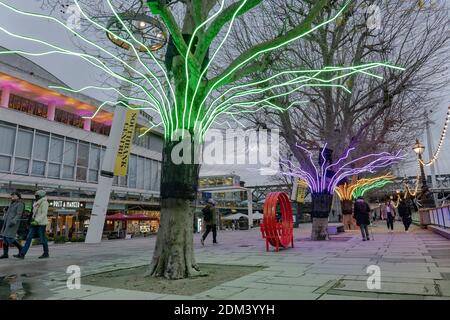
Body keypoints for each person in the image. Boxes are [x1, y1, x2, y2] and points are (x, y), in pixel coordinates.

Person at [14, 190, 49, 259]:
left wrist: (37, 221)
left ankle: (46, 253)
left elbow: (44, 214)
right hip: (34, 223)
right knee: (28, 238)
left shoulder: (44, 203)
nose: (35, 196)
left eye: (37, 195)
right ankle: (22, 254)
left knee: (42, 239)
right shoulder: (36, 202)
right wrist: (31, 221)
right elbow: (33, 213)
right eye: (35, 195)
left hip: (41, 223)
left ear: (40, 196)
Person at [0, 192, 24, 259]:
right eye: (12, 196)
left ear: (18, 196)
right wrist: (5, 212)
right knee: (4, 237)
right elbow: (8, 213)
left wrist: (13, 221)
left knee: (9, 237)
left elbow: (19, 214)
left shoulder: (20, 204)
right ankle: (5, 254)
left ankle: (21, 248)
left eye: (14, 195)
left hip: (13, 223)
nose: (12, 197)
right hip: (7, 222)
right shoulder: (12, 203)